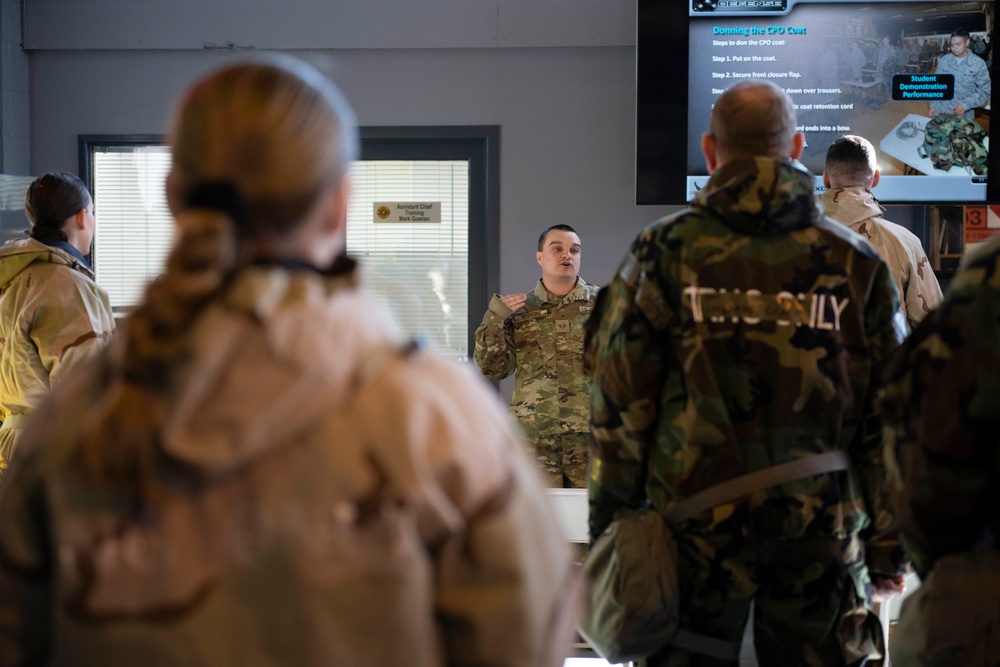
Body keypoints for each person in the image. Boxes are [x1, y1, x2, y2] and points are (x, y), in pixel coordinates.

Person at [0, 56, 577, 666]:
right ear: (339, 205)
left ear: (174, 199)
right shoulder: (437, 416)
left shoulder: (70, 424)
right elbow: (528, 639)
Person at [585, 80, 908, 665]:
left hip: (690, 556)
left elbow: (616, 413)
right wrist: (887, 550)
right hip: (821, 553)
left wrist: (617, 538)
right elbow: (892, 419)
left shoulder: (659, 255)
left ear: (710, 152)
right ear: (799, 147)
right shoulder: (855, 265)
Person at [880, 234, 1000, 666]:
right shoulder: (905, 243)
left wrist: (916, 557)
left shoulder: (988, 279)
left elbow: (928, 425)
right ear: (872, 177)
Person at [0, 172, 115, 478]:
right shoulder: (66, 286)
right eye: (92, 212)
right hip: (56, 450)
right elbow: (83, 389)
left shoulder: (12, 279)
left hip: (11, 446)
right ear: (81, 217)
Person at [473, 224, 600, 488]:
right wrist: (494, 319)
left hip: (593, 436)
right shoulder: (517, 311)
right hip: (535, 441)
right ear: (540, 256)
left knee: (596, 522)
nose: (567, 255)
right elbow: (491, 370)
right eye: (557, 248)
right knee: (539, 522)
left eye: (574, 250)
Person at [820, 135, 943, 330]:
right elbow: (934, 328)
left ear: (826, 179)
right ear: (876, 178)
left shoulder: (790, 236)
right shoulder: (905, 242)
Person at [930, 28, 991, 120]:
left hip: (963, 116)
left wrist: (966, 104)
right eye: (952, 45)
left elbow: (985, 91)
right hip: (941, 112)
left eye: (958, 44)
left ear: (967, 42)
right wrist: (933, 105)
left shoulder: (978, 63)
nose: (954, 48)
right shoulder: (945, 60)